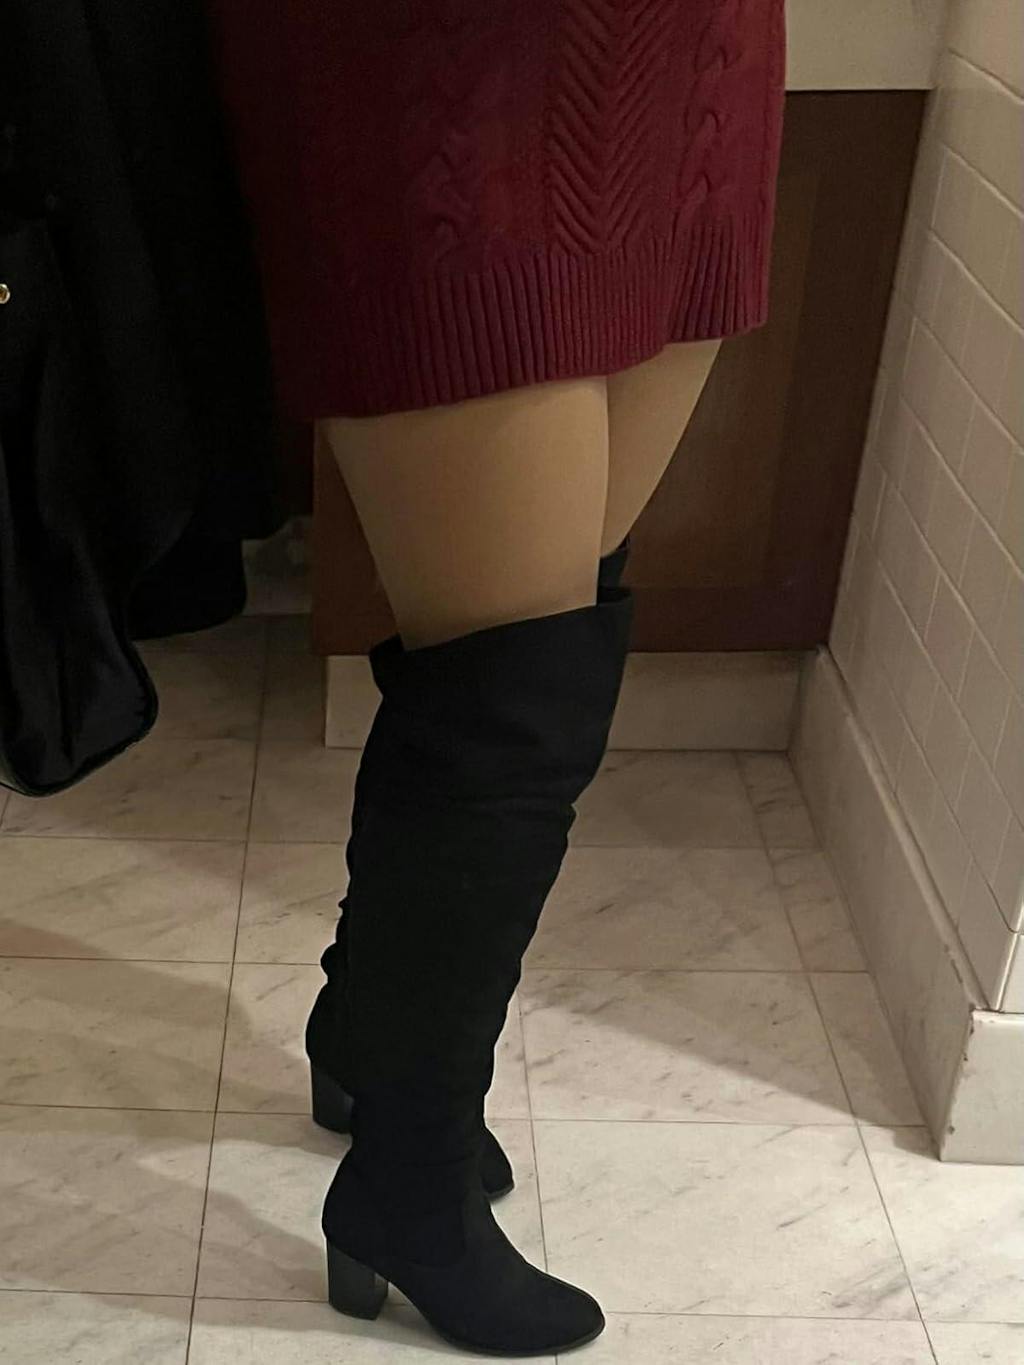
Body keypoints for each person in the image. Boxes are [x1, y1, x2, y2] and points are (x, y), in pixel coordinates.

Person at [207, 2, 786, 1355]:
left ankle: (370, 1036)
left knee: (538, 644)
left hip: (690, 73)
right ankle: (408, 1186)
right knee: (507, 699)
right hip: (447, 77)